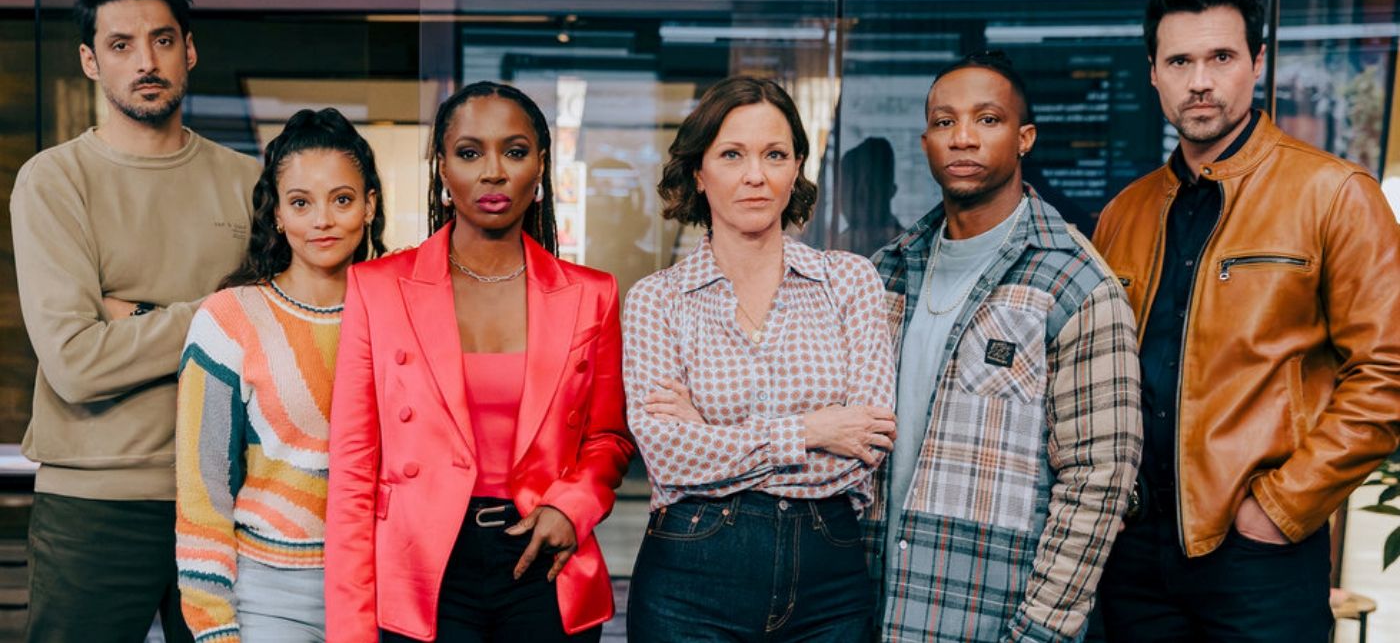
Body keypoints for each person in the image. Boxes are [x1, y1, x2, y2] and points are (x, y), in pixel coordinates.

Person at [1092, 0, 1400, 642]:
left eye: (1221, 56)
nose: (1200, 79)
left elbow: (1385, 378)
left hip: (1259, 553)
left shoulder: (1334, 194)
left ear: (1256, 63)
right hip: (1133, 555)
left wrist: (1280, 509)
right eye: (1180, 60)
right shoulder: (1123, 214)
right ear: (1153, 73)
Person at [325, 81, 635, 642]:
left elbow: (609, 438)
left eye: (514, 152)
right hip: (423, 568)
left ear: (540, 167)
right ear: (442, 169)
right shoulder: (377, 289)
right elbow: (352, 473)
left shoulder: (593, 294)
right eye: (470, 153)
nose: (493, 171)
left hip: (545, 560)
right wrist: (350, 631)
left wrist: (572, 507)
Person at [9, 0, 259, 642]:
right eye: (121, 45)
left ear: (189, 49)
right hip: (94, 505)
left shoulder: (251, 182)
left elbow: (278, 330)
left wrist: (134, 316)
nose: (145, 61)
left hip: (227, 499)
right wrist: (218, 314)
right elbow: (75, 363)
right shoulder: (53, 181)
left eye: (163, 40)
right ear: (91, 61)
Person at [868, 51, 1143, 642]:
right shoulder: (883, 275)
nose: (962, 137)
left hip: (985, 617)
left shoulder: (1075, 284)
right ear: (925, 143)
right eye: (944, 122)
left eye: (987, 120)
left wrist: (1040, 632)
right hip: (865, 607)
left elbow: (1099, 481)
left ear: (1024, 139)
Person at [623, 76, 897, 641]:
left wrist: (711, 437)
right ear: (699, 172)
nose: (756, 175)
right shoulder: (657, 298)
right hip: (689, 577)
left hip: (830, 576)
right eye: (732, 155)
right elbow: (668, 457)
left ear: (796, 166)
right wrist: (815, 429)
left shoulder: (848, 281)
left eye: (775, 154)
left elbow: (864, 447)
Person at [175, 108, 386, 641]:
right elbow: (203, 491)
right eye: (300, 203)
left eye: (342, 199)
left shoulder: (397, 312)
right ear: (276, 214)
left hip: (383, 586)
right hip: (271, 594)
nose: (323, 220)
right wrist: (213, 624)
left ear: (369, 207)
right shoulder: (230, 319)